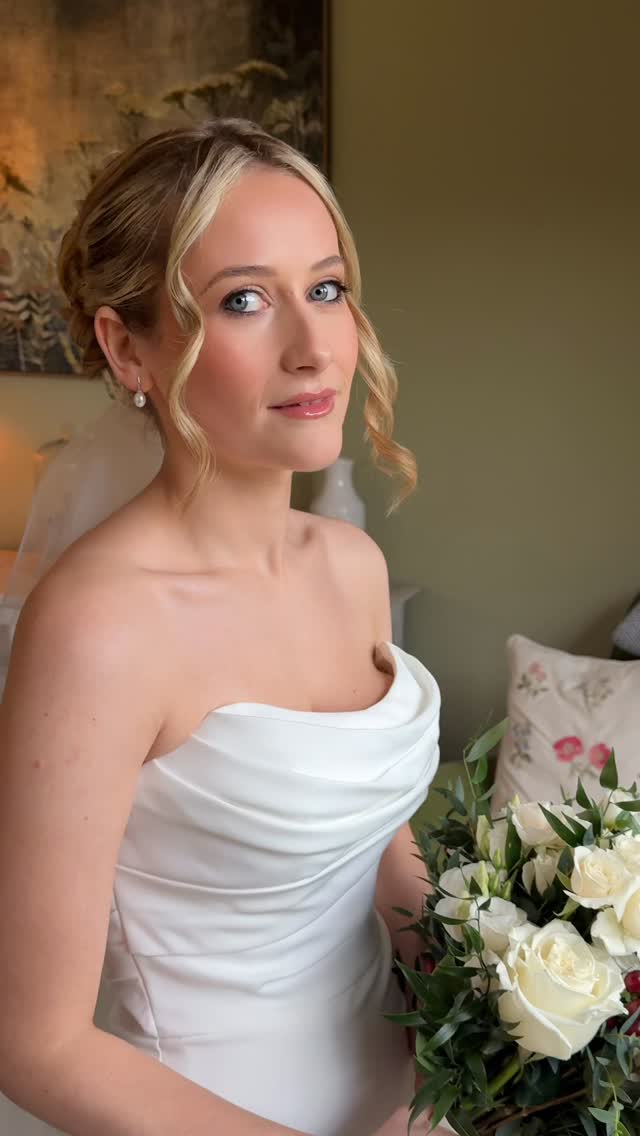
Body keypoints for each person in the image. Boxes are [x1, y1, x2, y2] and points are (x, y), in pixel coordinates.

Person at [0, 119, 442, 1136]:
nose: (312, 344)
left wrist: (497, 1017)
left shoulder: (353, 565)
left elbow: (375, 841)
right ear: (128, 347)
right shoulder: (99, 626)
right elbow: (38, 1043)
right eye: (245, 299)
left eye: (325, 288)